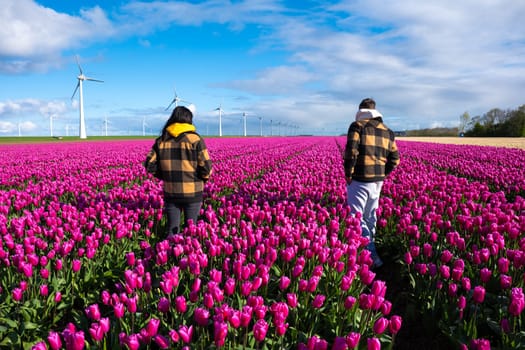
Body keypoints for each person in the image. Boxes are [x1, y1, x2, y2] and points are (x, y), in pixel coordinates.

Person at [343, 98, 400, 269]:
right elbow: (395, 159)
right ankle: (369, 248)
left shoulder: (357, 126)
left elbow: (351, 152)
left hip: (360, 179)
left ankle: (369, 255)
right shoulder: (388, 131)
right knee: (370, 215)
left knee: (356, 216)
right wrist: (383, 173)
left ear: (360, 111)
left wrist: (349, 174)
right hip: (378, 182)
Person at [145, 105, 212, 236]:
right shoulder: (195, 139)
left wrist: (165, 176)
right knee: (191, 232)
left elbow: (149, 164)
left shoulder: (162, 140)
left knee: (172, 231)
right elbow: (207, 168)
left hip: (171, 192)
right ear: (189, 120)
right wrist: (201, 179)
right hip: (193, 192)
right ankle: (189, 255)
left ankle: (169, 255)